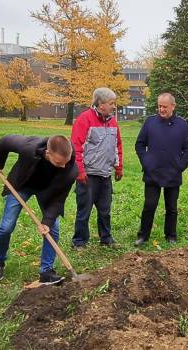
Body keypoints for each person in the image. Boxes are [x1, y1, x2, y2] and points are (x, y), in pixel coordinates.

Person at [0, 135, 78, 284]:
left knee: (53, 228)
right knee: (6, 226)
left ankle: (46, 272)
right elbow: (4, 141)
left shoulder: (70, 169)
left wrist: (47, 222)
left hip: (47, 191)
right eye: (58, 163)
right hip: (21, 185)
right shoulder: (30, 147)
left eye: (66, 162)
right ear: (47, 153)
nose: (63, 166)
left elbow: (58, 199)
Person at [134, 93, 188, 246]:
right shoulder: (150, 123)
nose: (161, 109)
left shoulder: (182, 125)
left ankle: (171, 235)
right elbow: (139, 144)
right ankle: (143, 236)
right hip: (153, 172)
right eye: (159, 106)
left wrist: (181, 165)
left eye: (164, 106)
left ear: (173, 106)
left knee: (171, 207)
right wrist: (146, 161)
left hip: (173, 173)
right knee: (149, 205)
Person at [71, 87, 123, 249]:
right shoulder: (84, 119)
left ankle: (106, 238)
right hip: (88, 175)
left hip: (105, 174)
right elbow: (75, 147)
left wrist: (118, 166)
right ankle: (79, 241)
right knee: (84, 210)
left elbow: (117, 145)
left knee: (105, 210)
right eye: (111, 103)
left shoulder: (113, 122)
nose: (114, 107)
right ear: (101, 104)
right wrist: (79, 171)